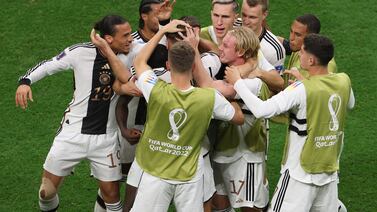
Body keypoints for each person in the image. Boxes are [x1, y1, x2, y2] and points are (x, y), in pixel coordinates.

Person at [91, 19, 244, 211]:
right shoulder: (209, 98)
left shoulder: (155, 89)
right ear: (194, 65)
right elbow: (238, 118)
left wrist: (161, 32)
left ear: (168, 64)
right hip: (189, 176)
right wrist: (226, 91)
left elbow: (139, 61)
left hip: (155, 173)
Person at [15, 15, 135, 212]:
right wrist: (25, 81)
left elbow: (127, 83)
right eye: (126, 35)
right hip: (72, 134)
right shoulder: (79, 52)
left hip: (106, 138)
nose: (131, 39)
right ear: (109, 38)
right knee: (46, 192)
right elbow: (49, 65)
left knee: (112, 197)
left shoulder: (130, 56)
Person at [225, 33, 355, 212]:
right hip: (329, 174)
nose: (298, 55)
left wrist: (237, 82)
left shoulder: (300, 90)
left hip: (299, 176)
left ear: (311, 61)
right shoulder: (343, 81)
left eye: (302, 52)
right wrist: (307, 83)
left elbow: (262, 110)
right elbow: (350, 103)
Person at [194, 27, 272, 212]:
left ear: (241, 52)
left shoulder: (253, 82)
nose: (220, 47)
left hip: (244, 156)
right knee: (219, 206)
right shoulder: (229, 71)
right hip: (221, 152)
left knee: (249, 208)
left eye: (226, 45)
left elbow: (211, 86)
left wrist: (194, 50)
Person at [279, 14, 337, 85]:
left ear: (311, 37)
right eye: (291, 31)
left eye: (298, 35)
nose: (291, 38)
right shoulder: (298, 47)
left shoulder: (325, 64)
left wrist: (302, 85)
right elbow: (285, 43)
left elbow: (322, 90)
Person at [240, 0, 285, 72]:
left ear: (264, 14)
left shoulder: (274, 50)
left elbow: (276, 82)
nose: (246, 22)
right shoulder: (232, 25)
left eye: (252, 17)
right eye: (244, 15)